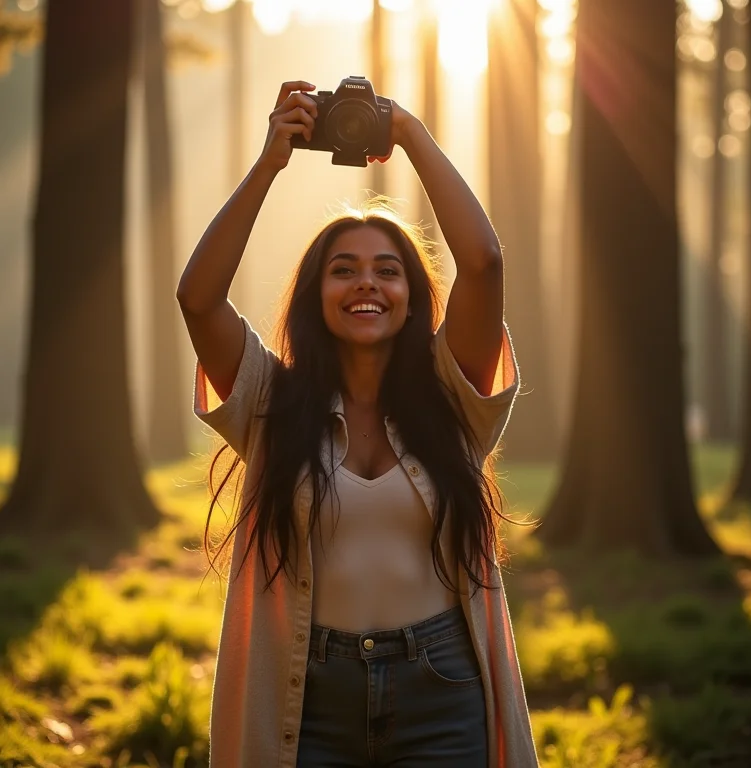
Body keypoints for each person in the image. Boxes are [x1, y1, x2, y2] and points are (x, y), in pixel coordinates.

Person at [177, 79, 538, 768]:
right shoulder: (270, 403)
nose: (367, 282)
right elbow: (198, 297)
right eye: (343, 270)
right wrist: (270, 163)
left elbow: (484, 261)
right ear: (317, 296)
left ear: (411, 297)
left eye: (387, 271)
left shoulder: (453, 399)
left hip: (443, 690)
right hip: (309, 698)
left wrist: (406, 131)